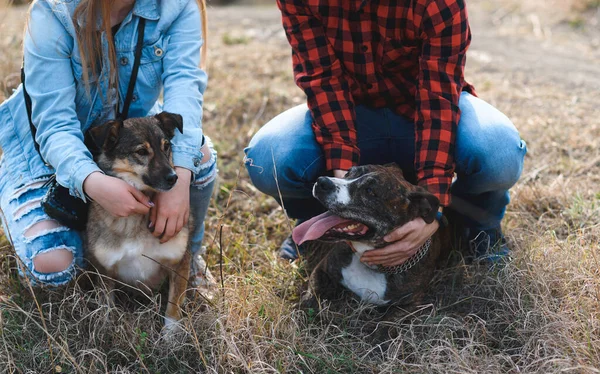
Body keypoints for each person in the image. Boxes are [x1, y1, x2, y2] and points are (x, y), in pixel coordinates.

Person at [245, 0, 527, 266]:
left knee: (499, 153)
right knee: (268, 155)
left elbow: (437, 99)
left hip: (420, 112)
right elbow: (323, 81)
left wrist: (431, 209)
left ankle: (476, 227)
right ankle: (319, 225)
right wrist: (344, 195)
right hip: (352, 115)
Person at [0, 0, 217, 286]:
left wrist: (180, 180)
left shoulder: (176, 6)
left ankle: (187, 254)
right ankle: (49, 216)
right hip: (46, 149)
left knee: (196, 156)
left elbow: (184, 92)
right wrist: (93, 182)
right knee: (53, 264)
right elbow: (54, 126)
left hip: (127, 136)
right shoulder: (54, 11)